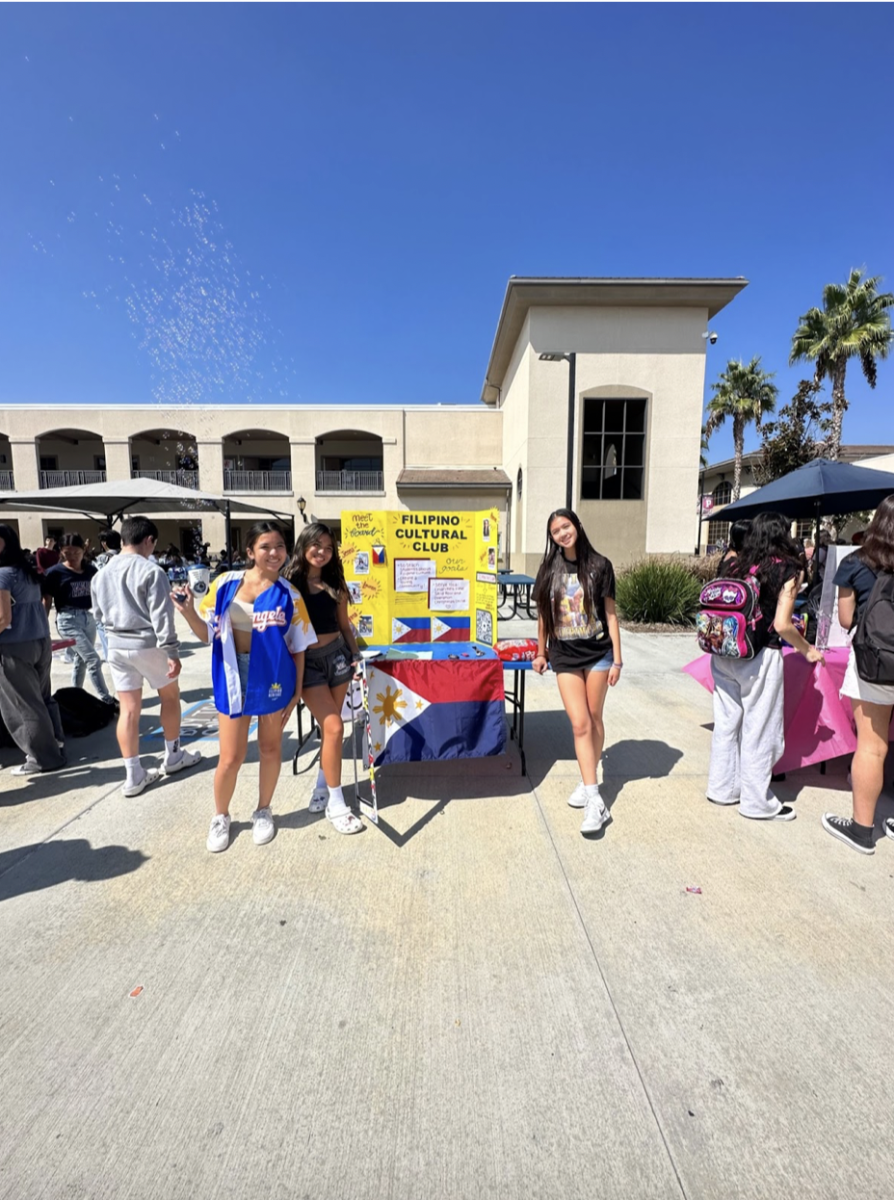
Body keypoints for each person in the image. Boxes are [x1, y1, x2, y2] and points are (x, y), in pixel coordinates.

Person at [173, 521, 316, 853]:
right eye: (265, 546)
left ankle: (264, 809)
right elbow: (205, 633)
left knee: (269, 749)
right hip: (232, 673)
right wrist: (187, 611)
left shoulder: (289, 594)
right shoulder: (225, 584)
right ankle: (221, 815)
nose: (274, 553)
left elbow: (299, 645)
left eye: (280, 546)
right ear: (250, 551)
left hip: (273, 676)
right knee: (231, 757)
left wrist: (295, 692)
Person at [706, 511, 824, 820]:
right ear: (782, 534)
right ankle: (757, 802)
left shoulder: (734, 563)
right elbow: (783, 624)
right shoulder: (787, 568)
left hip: (724, 650)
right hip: (760, 655)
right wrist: (807, 649)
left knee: (726, 723)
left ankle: (722, 788)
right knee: (761, 728)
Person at [92, 515, 200, 797]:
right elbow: (162, 618)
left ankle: (133, 773)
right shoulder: (151, 571)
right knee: (169, 696)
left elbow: (98, 615)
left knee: (128, 709)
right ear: (149, 540)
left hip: (116, 643)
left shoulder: (101, 573)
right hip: (148, 642)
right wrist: (172, 651)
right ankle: (173, 755)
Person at [531, 509, 622, 836]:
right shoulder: (548, 569)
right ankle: (595, 799)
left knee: (595, 719)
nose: (561, 533)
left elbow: (610, 616)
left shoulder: (600, 566)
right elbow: (543, 616)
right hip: (564, 655)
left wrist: (618, 660)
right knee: (580, 723)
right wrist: (540, 652)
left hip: (598, 653)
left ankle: (588, 779)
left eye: (565, 526)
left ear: (577, 526)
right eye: (555, 531)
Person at [822, 496, 894, 853]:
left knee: (872, 745)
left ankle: (862, 830)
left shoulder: (856, 562)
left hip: (877, 662)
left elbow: (847, 621)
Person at [285, 522, 364, 834]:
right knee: (334, 727)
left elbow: (345, 626)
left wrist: (355, 655)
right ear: (304, 545)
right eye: (316, 545)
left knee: (329, 730)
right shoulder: (288, 585)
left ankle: (321, 784)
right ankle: (336, 802)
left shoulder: (336, 585)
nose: (322, 552)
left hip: (339, 658)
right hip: (308, 666)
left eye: (329, 547)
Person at [0, 524, 66, 775]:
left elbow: (3, 618)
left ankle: (42, 758)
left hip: (14, 646)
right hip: (40, 640)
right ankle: (56, 745)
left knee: (23, 706)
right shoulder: (25, 571)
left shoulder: (3, 575)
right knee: (42, 699)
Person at [44, 534, 116, 705]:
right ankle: (106, 699)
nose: (72, 556)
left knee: (81, 660)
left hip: (89, 618)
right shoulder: (55, 573)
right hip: (68, 620)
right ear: (61, 552)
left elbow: (101, 592)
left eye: (76, 552)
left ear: (83, 550)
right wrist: (42, 625)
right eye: (67, 553)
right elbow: (46, 600)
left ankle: (75, 697)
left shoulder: (91, 570)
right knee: (92, 659)